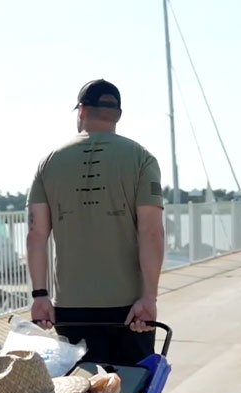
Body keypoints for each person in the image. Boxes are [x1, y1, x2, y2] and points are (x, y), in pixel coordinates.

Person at [26, 79, 165, 365]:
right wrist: (149, 298)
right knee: (133, 388)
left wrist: (40, 296)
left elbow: (36, 234)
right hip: (130, 309)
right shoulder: (142, 158)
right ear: (118, 115)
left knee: (81, 389)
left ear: (81, 111)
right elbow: (151, 231)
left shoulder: (49, 162)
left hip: (71, 308)